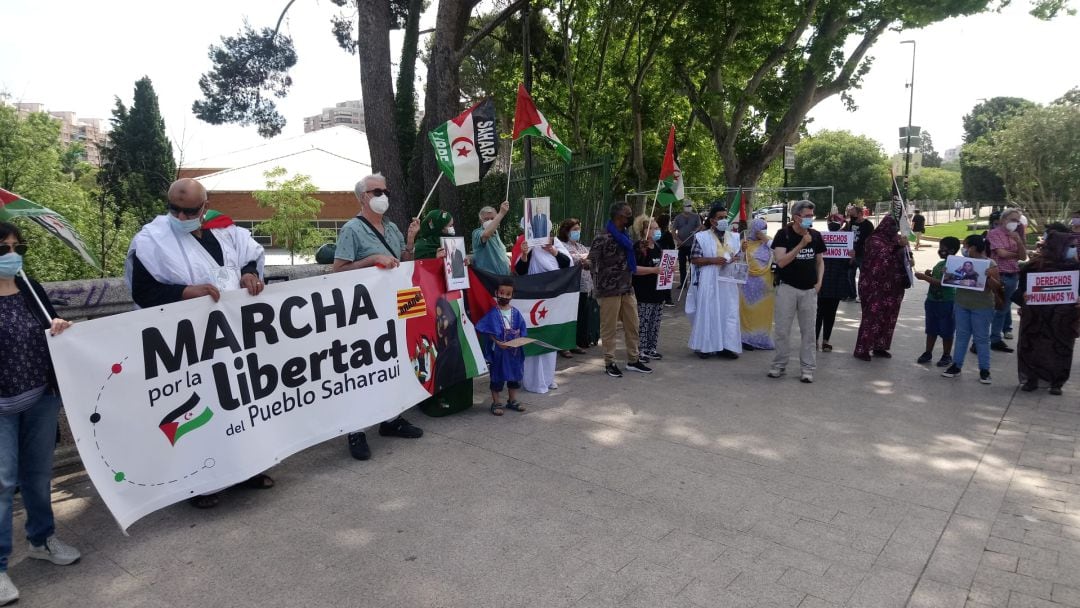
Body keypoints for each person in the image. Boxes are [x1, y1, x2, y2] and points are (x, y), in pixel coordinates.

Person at [126, 178, 275, 509]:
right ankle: (201, 483)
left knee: (240, 405)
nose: (180, 218)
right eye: (174, 210)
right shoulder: (151, 240)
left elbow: (249, 256)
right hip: (190, 347)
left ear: (204, 208)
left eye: (189, 211)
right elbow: (143, 292)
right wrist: (183, 292)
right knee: (199, 413)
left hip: (234, 341)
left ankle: (248, 468)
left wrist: (250, 273)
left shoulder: (225, 232)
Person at [0, 222, 80, 605]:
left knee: (37, 474)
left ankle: (41, 539)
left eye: (18, 246)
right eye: (3, 248)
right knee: (2, 483)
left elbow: (51, 328)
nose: (12, 255)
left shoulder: (29, 288)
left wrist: (60, 327)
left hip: (40, 397)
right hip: (2, 406)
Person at [332, 173, 424, 460]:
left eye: (385, 190)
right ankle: (356, 430)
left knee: (394, 363)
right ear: (363, 197)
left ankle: (391, 418)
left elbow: (404, 262)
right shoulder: (351, 230)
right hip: (364, 315)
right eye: (376, 191)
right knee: (362, 370)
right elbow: (338, 271)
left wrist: (410, 241)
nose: (383, 195)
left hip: (395, 309)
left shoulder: (392, 227)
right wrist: (371, 260)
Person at [412, 210, 476, 417]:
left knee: (458, 345)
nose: (451, 228)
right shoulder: (423, 245)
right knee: (438, 349)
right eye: (448, 225)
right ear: (436, 226)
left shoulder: (452, 243)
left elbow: (456, 272)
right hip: (432, 306)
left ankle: (460, 398)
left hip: (454, 301)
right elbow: (416, 272)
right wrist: (434, 259)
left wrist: (461, 261)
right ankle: (437, 399)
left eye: (452, 224)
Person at [588, 202, 656, 378]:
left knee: (633, 324)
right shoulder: (602, 237)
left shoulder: (625, 237)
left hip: (627, 287)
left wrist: (639, 249)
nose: (630, 217)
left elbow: (630, 260)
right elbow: (591, 262)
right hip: (609, 290)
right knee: (609, 328)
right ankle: (609, 362)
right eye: (628, 214)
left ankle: (633, 359)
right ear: (618, 216)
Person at [1014, 232, 1080, 395]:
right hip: (1035, 316)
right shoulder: (1033, 267)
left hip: (1062, 317)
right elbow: (1021, 289)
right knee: (1032, 346)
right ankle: (1031, 378)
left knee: (1060, 348)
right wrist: (1023, 296)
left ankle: (1057, 382)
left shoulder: (1075, 268)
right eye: (1070, 246)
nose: (1073, 249)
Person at [769, 200, 825, 383]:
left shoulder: (816, 236)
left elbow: (820, 261)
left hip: (809, 290)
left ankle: (807, 369)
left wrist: (819, 283)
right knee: (782, 331)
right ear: (796, 217)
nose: (810, 219)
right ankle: (779, 365)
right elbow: (781, 262)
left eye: (811, 216)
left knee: (808, 332)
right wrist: (801, 244)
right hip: (787, 288)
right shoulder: (783, 235)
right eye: (807, 216)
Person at [514, 234, 570, 393]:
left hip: (552, 298)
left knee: (549, 336)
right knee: (533, 337)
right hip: (533, 296)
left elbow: (568, 265)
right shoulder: (528, 243)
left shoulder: (555, 243)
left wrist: (552, 250)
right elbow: (520, 271)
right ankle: (531, 380)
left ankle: (547, 377)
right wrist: (524, 254)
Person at [942, 235, 1001, 385]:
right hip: (962, 304)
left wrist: (989, 278)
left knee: (981, 338)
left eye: (966, 246)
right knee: (961, 336)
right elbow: (954, 279)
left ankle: (984, 370)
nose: (964, 249)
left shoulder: (990, 264)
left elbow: (997, 288)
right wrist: (947, 274)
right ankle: (956, 365)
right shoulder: (961, 263)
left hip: (982, 307)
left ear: (973, 248)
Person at [686, 205, 743, 359]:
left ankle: (726, 346)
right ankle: (704, 347)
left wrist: (738, 257)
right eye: (720, 218)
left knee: (728, 312)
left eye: (725, 217)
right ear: (712, 220)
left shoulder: (734, 237)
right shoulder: (702, 237)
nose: (724, 220)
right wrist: (712, 260)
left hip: (728, 280)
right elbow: (694, 259)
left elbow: (738, 256)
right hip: (709, 278)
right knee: (709, 311)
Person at [852, 216, 909, 361]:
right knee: (871, 318)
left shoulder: (897, 239)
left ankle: (880, 346)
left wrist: (909, 258)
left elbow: (905, 256)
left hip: (894, 287)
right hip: (874, 286)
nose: (895, 229)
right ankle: (862, 349)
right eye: (892, 226)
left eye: (896, 226)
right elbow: (882, 255)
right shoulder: (874, 239)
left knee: (889, 317)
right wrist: (898, 247)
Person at [475, 279, 528, 414]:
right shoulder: (493, 313)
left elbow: (522, 330)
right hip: (499, 351)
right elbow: (485, 329)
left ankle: (512, 400)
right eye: (502, 293)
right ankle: (496, 403)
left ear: (512, 295)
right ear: (496, 293)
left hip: (514, 352)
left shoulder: (516, 313)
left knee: (515, 375)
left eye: (508, 294)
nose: (504, 296)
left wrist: (520, 340)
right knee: (497, 376)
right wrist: (497, 342)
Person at [914, 236, 961, 367]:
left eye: (943, 249)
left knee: (947, 330)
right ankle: (928, 352)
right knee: (931, 329)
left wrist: (924, 277)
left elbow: (943, 283)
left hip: (946, 302)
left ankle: (946, 355)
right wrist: (930, 275)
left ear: (951, 250)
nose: (940, 251)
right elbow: (936, 279)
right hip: (932, 301)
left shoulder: (954, 265)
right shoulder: (940, 264)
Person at [988, 208, 1027, 351]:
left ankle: (995, 338)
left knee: (1004, 309)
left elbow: (1023, 257)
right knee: (994, 308)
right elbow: (1001, 253)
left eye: (1017, 220)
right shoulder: (994, 233)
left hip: (1013, 274)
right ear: (1004, 220)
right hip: (999, 274)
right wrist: (1016, 253)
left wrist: (1018, 241)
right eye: (1012, 219)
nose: (1015, 223)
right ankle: (981, 339)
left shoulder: (1017, 235)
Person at [557, 218, 597, 353]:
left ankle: (575, 342)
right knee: (569, 316)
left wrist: (586, 260)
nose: (577, 232)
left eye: (579, 229)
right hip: (570, 286)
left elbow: (590, 261)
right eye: (574, 230)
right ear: (566, 231)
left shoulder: (580, 246)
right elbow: (571, 260)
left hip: (584, 286)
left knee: (580, 316)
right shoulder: (561, 245)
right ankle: (564, 345)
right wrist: (583, 259)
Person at [815, 216, 854, 353]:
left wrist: (851, 257)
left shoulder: (847, 243)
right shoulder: (820, 240)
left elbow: (850, 266)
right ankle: (817, 340)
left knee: (827, 313)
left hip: (834, 282)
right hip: (824, 282)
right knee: (821, 312)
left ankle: (825, 340)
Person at [632, 216, 665, 361]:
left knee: (655, 322)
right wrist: (652, 270)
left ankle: (651, 348)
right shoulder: (639, 247)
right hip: (644, 292)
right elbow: (634, 269)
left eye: (657, 228)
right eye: (652, 228)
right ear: (644, 230)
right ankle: (641, 350)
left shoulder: (658, 246)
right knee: (643, 322)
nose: (656, 231)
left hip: (658, 292)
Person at [741, 218, 776, 351]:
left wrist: (765, 239)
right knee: (748, 312)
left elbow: (778, 252)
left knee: (763, 312)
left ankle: (762, 339)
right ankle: (746, 339)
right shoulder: (745, 242)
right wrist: (742, 250)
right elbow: (737, 258)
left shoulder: (769, 242)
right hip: (747, 285)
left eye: (766, 227)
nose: (764, 230)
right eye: (761, 227)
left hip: (765, 287)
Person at [842, 205, 874, 302]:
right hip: (851, 254)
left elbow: (871, 240)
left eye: (853, 213)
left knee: (863, 276)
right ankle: (852, 295)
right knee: (849, 275)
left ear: (860, 214)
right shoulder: (851, 223)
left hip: (862, 255)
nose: (851, 215)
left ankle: (863, 296)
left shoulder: (868, 225)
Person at [472, 202, 511, 275]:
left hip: (503, 278)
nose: (490, 221)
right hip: (488, 279)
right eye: (486, 219)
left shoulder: (496, 233)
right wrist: (501, 213)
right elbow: (486, 235)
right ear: (481, 221)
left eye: (493, 218)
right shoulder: (477, 233)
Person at [672, 201, 701, 288]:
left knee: (693, 265)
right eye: (686, 206)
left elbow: (699, 227)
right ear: (683, 207)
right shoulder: (678, 217)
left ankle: (693, 282)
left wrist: (696, 230)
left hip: (692, 245)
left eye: (689, 206)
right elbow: (673, 231)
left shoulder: (696, 216)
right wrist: (678, 240)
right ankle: (683, 283)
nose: (688, 207)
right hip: (682, 245)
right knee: (682, 265)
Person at [656, 213, 676, 307]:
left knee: (658, 278)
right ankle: (667, 298)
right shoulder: (667, 234)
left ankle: (660, 298)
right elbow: (672, 246)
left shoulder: (655, 232)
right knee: (665, 277)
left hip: (656, 256)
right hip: (665, 257)